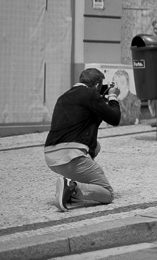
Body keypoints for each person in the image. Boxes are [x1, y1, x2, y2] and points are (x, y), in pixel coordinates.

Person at [44, 68, 121, 212]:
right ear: (98, 85)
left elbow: (87, 115)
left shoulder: (63, 97)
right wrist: (113, 97)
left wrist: (100, 100)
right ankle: (72, 187)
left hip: (51, 157)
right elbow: (115, 118)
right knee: (107, 193)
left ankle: (71, 187)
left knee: (96, 146)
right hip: (71, 157)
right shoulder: (90, 94)